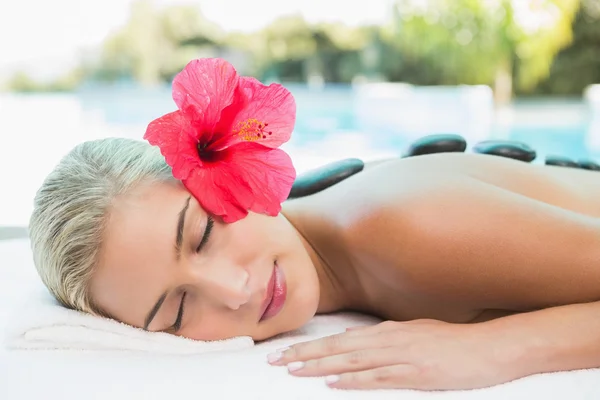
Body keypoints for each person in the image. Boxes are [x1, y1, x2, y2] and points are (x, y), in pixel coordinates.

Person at [29, 136, 600, 391]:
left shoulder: (403, 224)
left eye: (202, 234)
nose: (234, 292)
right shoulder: (343, 238)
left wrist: (496, 348)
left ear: (230, 164)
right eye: (178, 311)